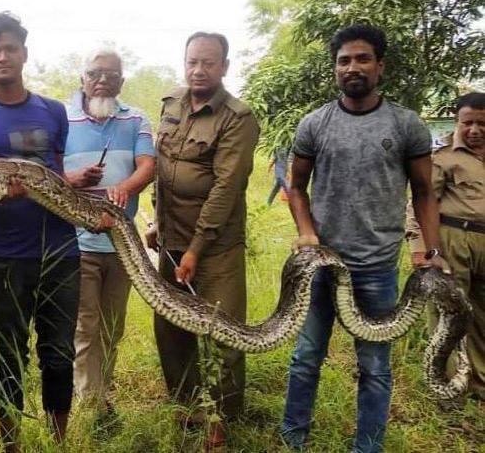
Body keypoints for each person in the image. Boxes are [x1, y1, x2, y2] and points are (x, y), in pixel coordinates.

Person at [0, 12, 109, 452]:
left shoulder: (54, 112)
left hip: (61, 251)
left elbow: (53, 176)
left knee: (57, 356)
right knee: (8, 357)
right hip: (7, 256)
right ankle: (11, 446)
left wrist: (72, 184)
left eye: (9, 48)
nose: (2, 56)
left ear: (24, 53)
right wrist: (6, 193)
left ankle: (59, 442)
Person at [280, 24, 446, 453]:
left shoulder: (407, 124)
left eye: (362, 58)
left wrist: (433, 251)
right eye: (343, 61)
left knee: (374, 365)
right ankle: (292, 439)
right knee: (305, 358)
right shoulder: (315, 123)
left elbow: (425, 192)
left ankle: (367, 447)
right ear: (335, 69)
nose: (352, 67)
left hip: (376, 267)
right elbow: (295, 186)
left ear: (379, 66)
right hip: (320, 264)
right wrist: (307, 234)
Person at [145, 31, 259, 450]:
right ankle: (187, 408)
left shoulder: (237, 117)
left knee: (223, 333)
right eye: (192, 61)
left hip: (216, 247)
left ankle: (221, 420)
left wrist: (194, 249)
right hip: (170, 239)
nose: (198, 70)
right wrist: (159, 222)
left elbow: (226, 189)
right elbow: (163, 168)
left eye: (208, 63)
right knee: (171, 328)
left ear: (224, 67)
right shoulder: (171, 104)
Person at [63, 49, 155, 430]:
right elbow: (46, 169)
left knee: (112, 326)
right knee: (85, 327)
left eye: (110, 75)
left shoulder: (136, 119)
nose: (102, 80)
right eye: (94, 73)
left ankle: (101, 393)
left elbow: (147, 166)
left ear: (122, 81)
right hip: (76, 243)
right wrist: (75, 181)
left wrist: (123, 187)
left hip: (122, 245)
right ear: (82, 78)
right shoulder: (61, 118)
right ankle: (91, 407)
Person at [406, 91, 485, 404]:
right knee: (447, 316)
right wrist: (421, 248)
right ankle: (447, 389)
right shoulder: (442, 156)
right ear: (457, 122)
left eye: (482, 123)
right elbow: (421, 200)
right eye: (468, 123)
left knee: (481, 316)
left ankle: (478, 384)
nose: (475, 130)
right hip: (453, 240)